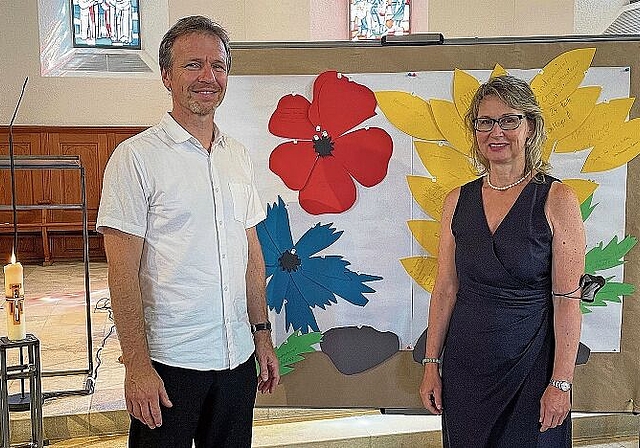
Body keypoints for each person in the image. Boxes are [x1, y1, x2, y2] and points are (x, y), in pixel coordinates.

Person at [96, 15, 280, 448]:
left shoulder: (237, 155)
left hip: (236, 358)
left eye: (217, 66)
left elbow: (250, 254)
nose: (207, 77)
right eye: (192, 65)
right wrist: (136, 364)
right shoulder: (135, 159)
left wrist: (262, 336)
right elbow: (121, 271)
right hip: (169, 363)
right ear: (166, 76)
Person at [419, 75, 584, 447]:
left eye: (509, 120)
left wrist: (561, 382)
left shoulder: (558, 198)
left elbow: (567, 301)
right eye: (485, 122)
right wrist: (432, 364)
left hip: (532, 368)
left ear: (530, 127)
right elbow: (445, 288)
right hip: (466, 369)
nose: (496, 132)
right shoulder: (456, 200)